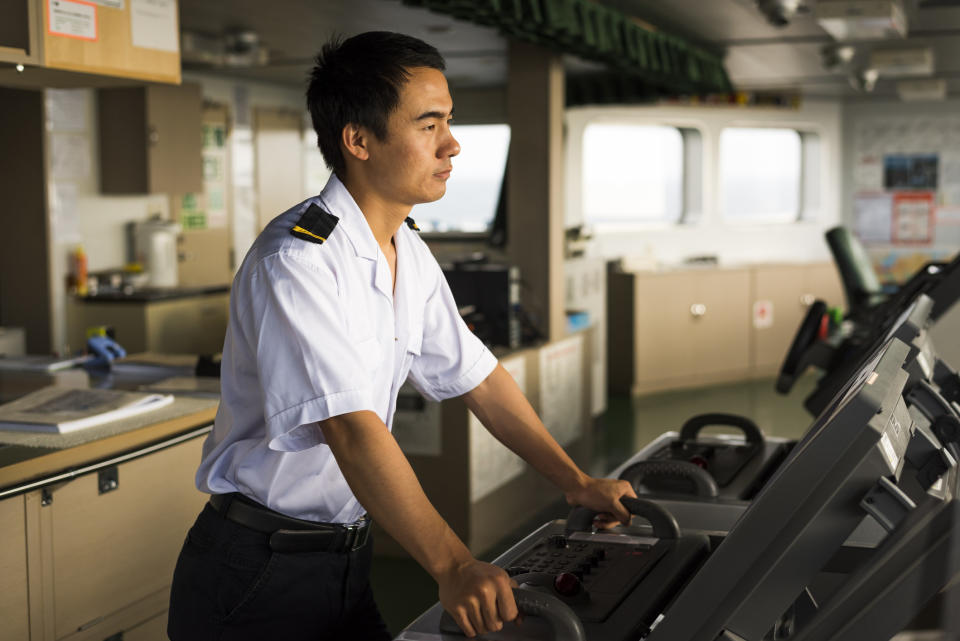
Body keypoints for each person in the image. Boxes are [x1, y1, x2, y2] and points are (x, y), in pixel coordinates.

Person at [167, 30, 635, 641]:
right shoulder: (299, 262)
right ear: (358, 140)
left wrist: (574, 482)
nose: (452, 144)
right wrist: (454, 564)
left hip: (344, 556)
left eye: (450, 122)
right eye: (429, 125)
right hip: (259, 569)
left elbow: (481, 379)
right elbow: (351, 430)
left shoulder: (405, 249)